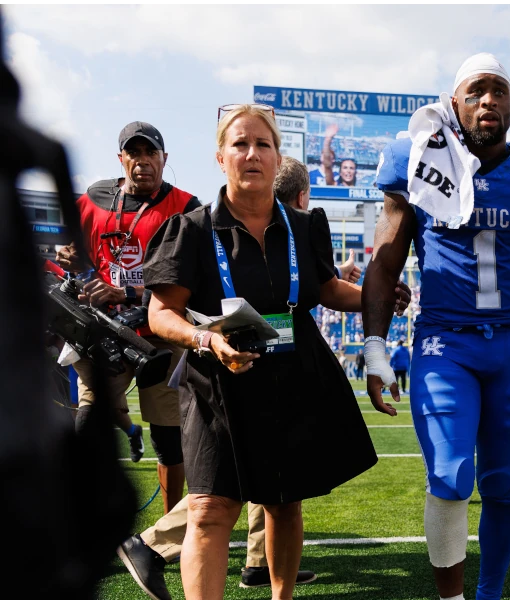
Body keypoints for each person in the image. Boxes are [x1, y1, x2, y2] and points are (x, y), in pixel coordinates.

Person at [140, 104, 408, 600]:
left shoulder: (306, 226)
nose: (252, 154)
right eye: (240, 144)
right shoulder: (194, 230)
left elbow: (328, 290)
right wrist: (206, 340)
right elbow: (160, 314)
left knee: (285, 503)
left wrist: (377, 294)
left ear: (277, 157)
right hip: (216, 380)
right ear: (220, 157)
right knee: (208, 508)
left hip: (293, 374)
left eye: (263, 144)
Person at [362, 53, 510, 600]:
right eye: (475, 91)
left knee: (499, 485)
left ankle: (488, 595)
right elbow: (384, 263)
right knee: (449, 475)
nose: (488, 100)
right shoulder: (414, 161)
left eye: (499, 91)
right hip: (447, 344)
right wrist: (377, 350)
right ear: (453, 105)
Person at [58, 121, 198, 513]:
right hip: (105, 332)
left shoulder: (187, 207)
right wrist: (77, 267)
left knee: (168, 438)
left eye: (150, 153)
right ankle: (78, 517)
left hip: (160, 331)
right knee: (88, 422)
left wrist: (133, 292)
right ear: (121, 159)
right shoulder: (93, 199)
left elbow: (194, 276)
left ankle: (167, 524)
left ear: (164, 159)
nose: (142, 161)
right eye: (134, 153)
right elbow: (72, 253)